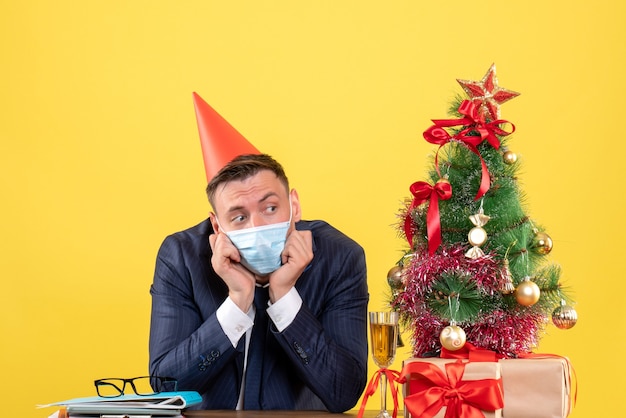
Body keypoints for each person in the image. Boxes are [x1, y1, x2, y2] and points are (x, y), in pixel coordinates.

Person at [148, 94, 369, 412]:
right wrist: (237, 303)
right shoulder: (180, 257)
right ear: (217, 225)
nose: (258, 225)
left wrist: (284, 297)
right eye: (239, 216)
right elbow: (167, 389)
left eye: (270, 207)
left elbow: (343, 393)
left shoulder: (340, 258)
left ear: (294, 205)